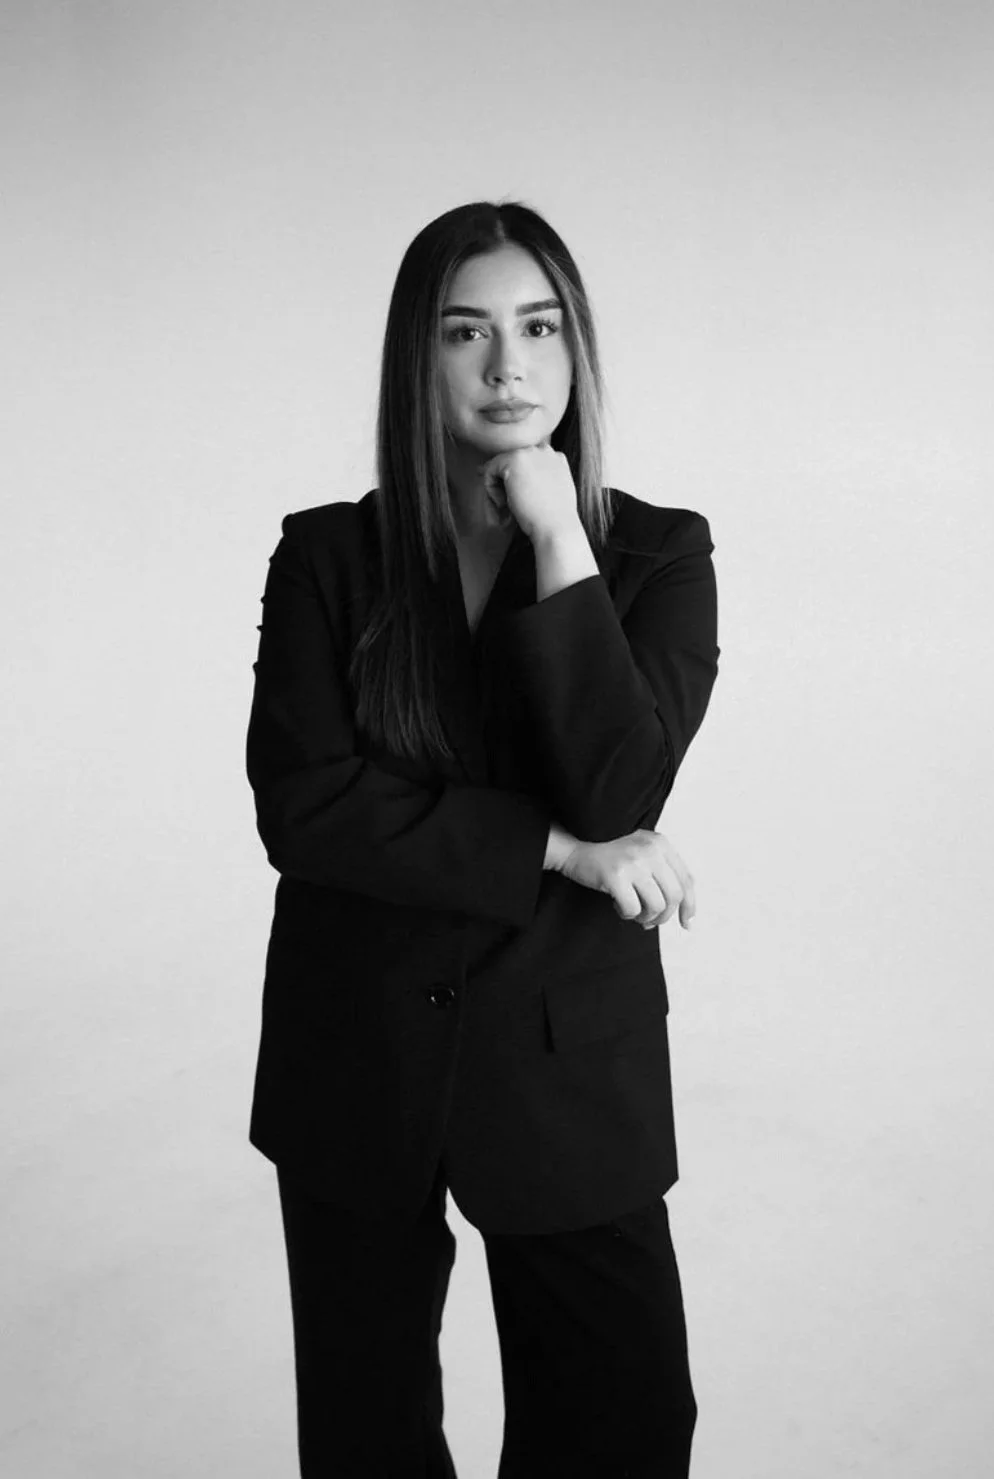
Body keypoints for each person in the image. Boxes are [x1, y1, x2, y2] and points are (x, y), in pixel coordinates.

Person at [245, 199, 720, 1478]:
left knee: (620, 1428)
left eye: (538, 326)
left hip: (570, 1066)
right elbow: (306, 807)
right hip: (358, 1061)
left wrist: (560, 534)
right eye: (467, 332)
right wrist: (558, 854)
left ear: (575, 353)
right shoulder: (327, 559)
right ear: (420, 357)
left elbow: (621, 783)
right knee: (366, 1436)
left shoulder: (658, 555)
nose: (509, 365)